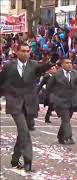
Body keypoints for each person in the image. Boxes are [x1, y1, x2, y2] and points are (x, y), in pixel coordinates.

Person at [0, 42, 54, 172]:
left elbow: (42, 68)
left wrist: (51, 62)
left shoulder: (34, 65)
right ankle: (28, 161)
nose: (25, 53)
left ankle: (14, 159)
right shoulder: (8, 66)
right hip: (14, 103)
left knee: (22, 133)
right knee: (24, 131)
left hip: (30, 104)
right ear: (17, 52)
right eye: (22, 51)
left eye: (27, 51)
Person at [47, 58, 77, 145]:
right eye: (67, 63)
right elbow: (49, 87)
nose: (69, 64)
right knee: (66, 119)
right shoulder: (56, 75)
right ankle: (68, 137)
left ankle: (60, 136)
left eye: (70, 63)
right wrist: (55, 96)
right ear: (62, 65)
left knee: (67, 119)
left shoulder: (75, 73)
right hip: (61, 101)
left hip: (72, 102)